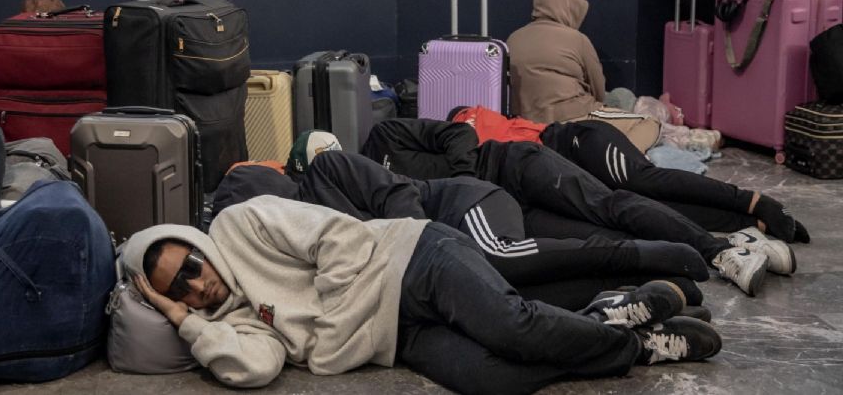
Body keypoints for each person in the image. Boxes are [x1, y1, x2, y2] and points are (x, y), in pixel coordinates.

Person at [124, 196, 722, 394]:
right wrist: (188, 324)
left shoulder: (239, 224)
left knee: (512, 327)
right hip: (396, 336)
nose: (197, 284)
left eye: (191, 266)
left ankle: (629, 321)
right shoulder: (230, 323)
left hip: (412, 259)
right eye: (179, 290)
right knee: (492, 380)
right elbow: (258, 368)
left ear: (197, 243)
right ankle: (629, 337)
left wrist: (332, 331)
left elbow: (341, 239)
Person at [214, 148, 710, 315]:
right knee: (512, 295)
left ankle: (641, 253)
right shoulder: (300, 240)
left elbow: (397, 195)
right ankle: (657, 288)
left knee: (499, 256)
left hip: (460, 206)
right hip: (435, 249)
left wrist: (426, 245)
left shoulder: (328, 170)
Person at [360, 118, 781, 297]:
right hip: (504, 213)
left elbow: (459, 135)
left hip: (511, 166)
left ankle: (720, 251)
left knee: (608, 205)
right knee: (599, 241)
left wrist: (466, 180)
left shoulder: (384, 136)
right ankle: (686, 267)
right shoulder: (364, 202)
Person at [449, 105, 808, 247]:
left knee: (642, 180)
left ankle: (755, 201)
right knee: (642, 205)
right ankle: (751, 222)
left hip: (574, 141)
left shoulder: (463, 126)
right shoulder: (463, 136)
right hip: (565, 168)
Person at [505, 0, 660, 152]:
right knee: (650, 123)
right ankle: (621, 157)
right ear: (568, 9)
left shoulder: (513, 39)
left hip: (528, 124)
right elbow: (598, 90)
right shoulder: (577, 39)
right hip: (574, 117)